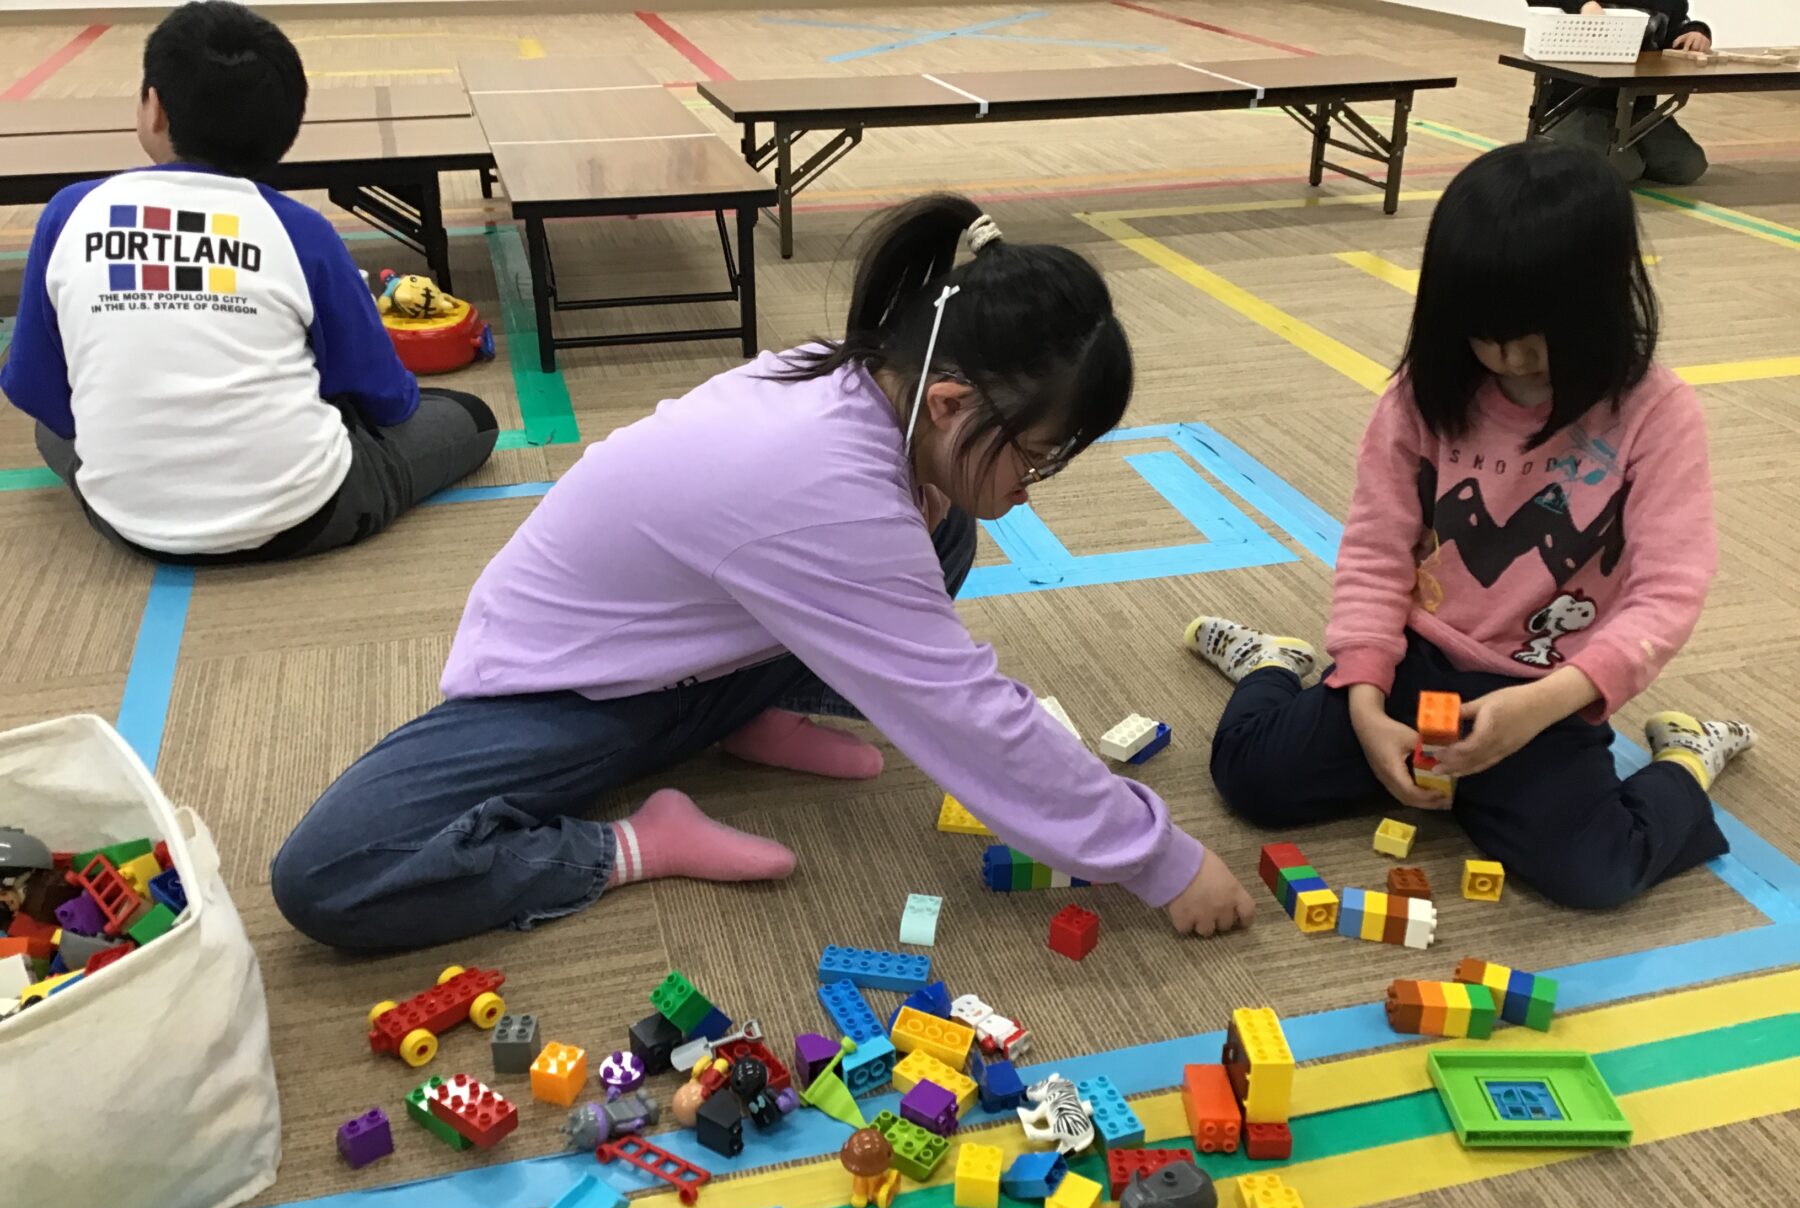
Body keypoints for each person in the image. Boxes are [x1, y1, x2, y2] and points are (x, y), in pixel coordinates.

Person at [272, 194, 1256, 951]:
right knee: (329, 874)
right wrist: (1160, 859)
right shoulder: (825, 486)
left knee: (947, 521)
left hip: (692, 655)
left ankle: (741, 714)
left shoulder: (863, 377)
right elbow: (965, 712)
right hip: (561, 685)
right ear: (951, 401)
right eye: (1035, 459)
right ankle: (643, 839)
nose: (1032, 491)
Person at [1187, 141, 1752, 912]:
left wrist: (1542, 706)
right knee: (1251, 778)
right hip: (1415, 659)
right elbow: (1376, 551)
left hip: (1546, 688)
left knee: (1596, 872)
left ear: (1604, 299)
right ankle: (1272, 663)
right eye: (1483, 333)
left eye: (1534, 338)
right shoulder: (1423, 395)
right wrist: (1365, 699)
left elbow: (1669, 594)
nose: (1507, 358)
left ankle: (1686, 757)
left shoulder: (1656, 413)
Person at [0, 1, 496, 563]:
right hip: (306, 516)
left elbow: (33, 389)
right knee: (471, 419)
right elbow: (387, 399)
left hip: (128, 522)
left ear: (154, 107)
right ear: (285, 129)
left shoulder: (69, 212)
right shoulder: (301, 231)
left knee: (51, 429)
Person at [1534, 0, 1712, 184]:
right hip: (1577, 106)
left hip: (1636, 109)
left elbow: (1676, 31)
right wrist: (1584, 4)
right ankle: (1558, 143)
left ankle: (1613, 152)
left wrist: (1697, 32)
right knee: (1624, 168)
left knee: (1688, 166)